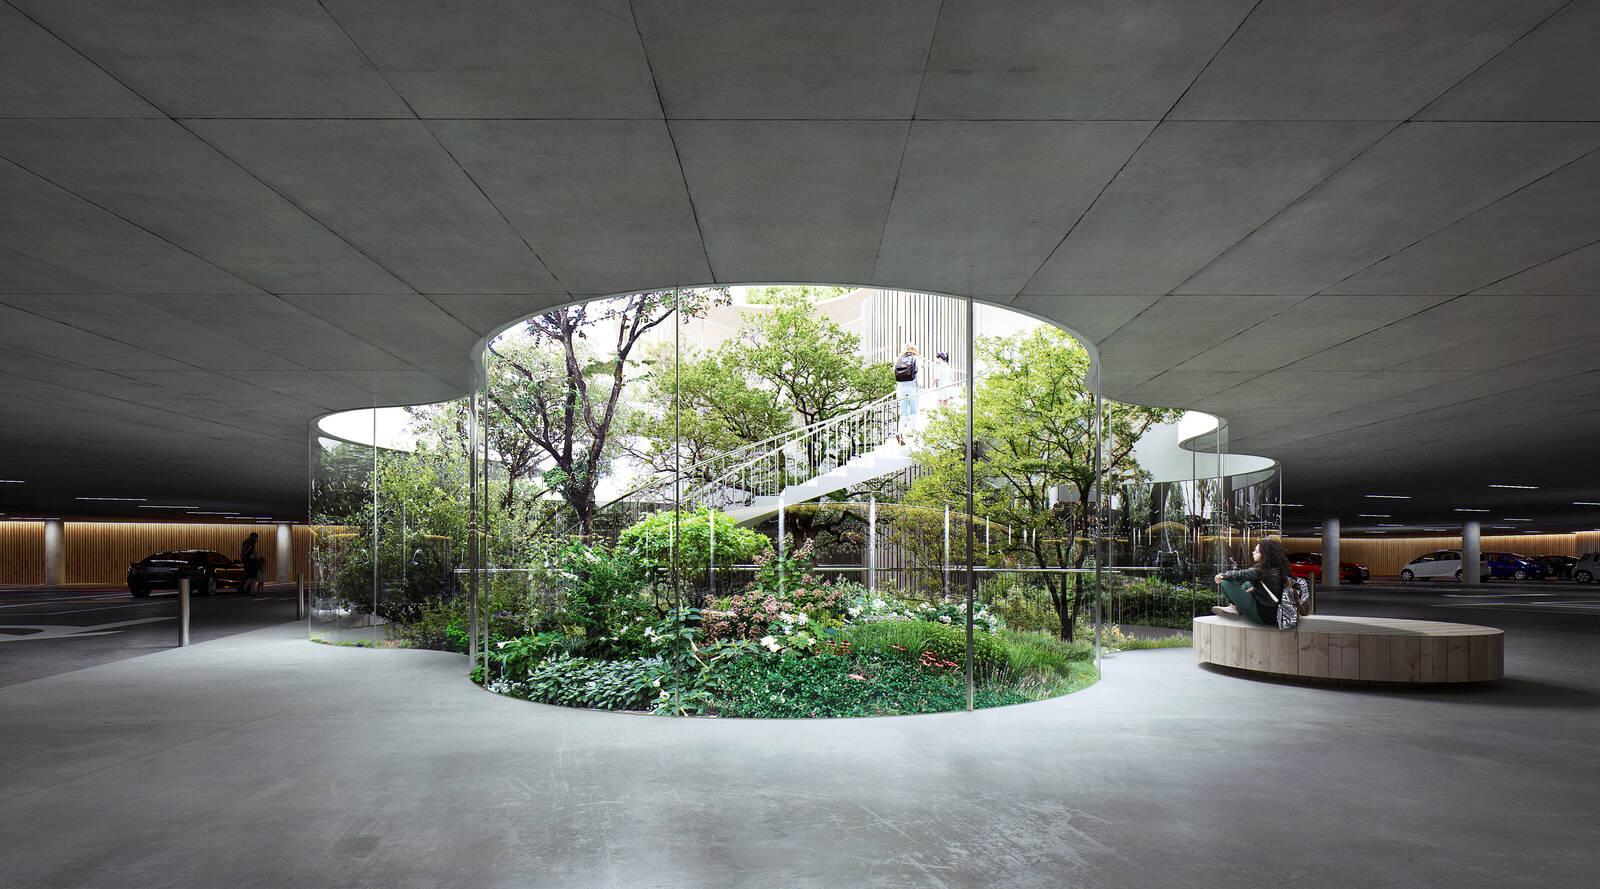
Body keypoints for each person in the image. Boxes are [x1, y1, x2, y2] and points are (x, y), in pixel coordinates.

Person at [1213, 537, 1292, 627]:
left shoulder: (1261, 571)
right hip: (1273, 614)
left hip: (1262, 616)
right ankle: (1234, 607)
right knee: (1248, 584)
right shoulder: (1277, 569)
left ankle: (1234, 607)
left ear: (1265, 555)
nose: (1253, 553)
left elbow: (1240, 574)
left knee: (1225, 581)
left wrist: (1221, 576)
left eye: (1256, 551)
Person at [892, 343, 920, 446]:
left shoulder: (898, 359)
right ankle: (912, 434)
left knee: (903, 413)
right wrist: (921, 386)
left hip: (900, 389)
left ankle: (900, 432)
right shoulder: (915, 358)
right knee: (913, 411)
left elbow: (894, 372)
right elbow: (918, 374)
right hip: (913, 387)